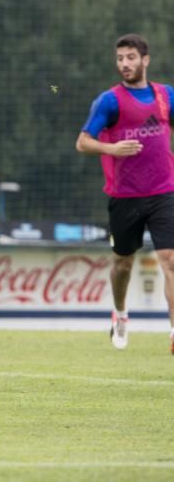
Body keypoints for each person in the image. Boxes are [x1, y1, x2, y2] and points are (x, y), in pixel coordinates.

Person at [75, 33, 174, 354]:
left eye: (131, 57)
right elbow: (83, 142)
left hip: (165, 191)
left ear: (145, 60)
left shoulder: (166, 96)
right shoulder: (109, 101)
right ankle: (120, 314)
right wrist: (111, 147)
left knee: (170, 260)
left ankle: (173, 330)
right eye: (120, 59)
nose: (125, 64)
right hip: (125, 196)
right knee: (123, 266)